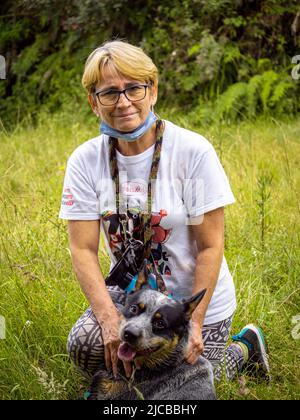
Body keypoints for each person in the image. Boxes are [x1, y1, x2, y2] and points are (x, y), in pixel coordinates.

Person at [59, 40, 270, 383]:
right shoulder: (85, 161)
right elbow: (82, 249)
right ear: (93, 102)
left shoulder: (192, 152)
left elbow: (210, 246)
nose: (124, 102)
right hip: (135, 302)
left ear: (153, 90)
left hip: (191, 304)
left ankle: (243, 348)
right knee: (86, 348)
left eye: (134, 88)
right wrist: (110, 320)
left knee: (186, 379)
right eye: (110, 93)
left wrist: (196, 322)